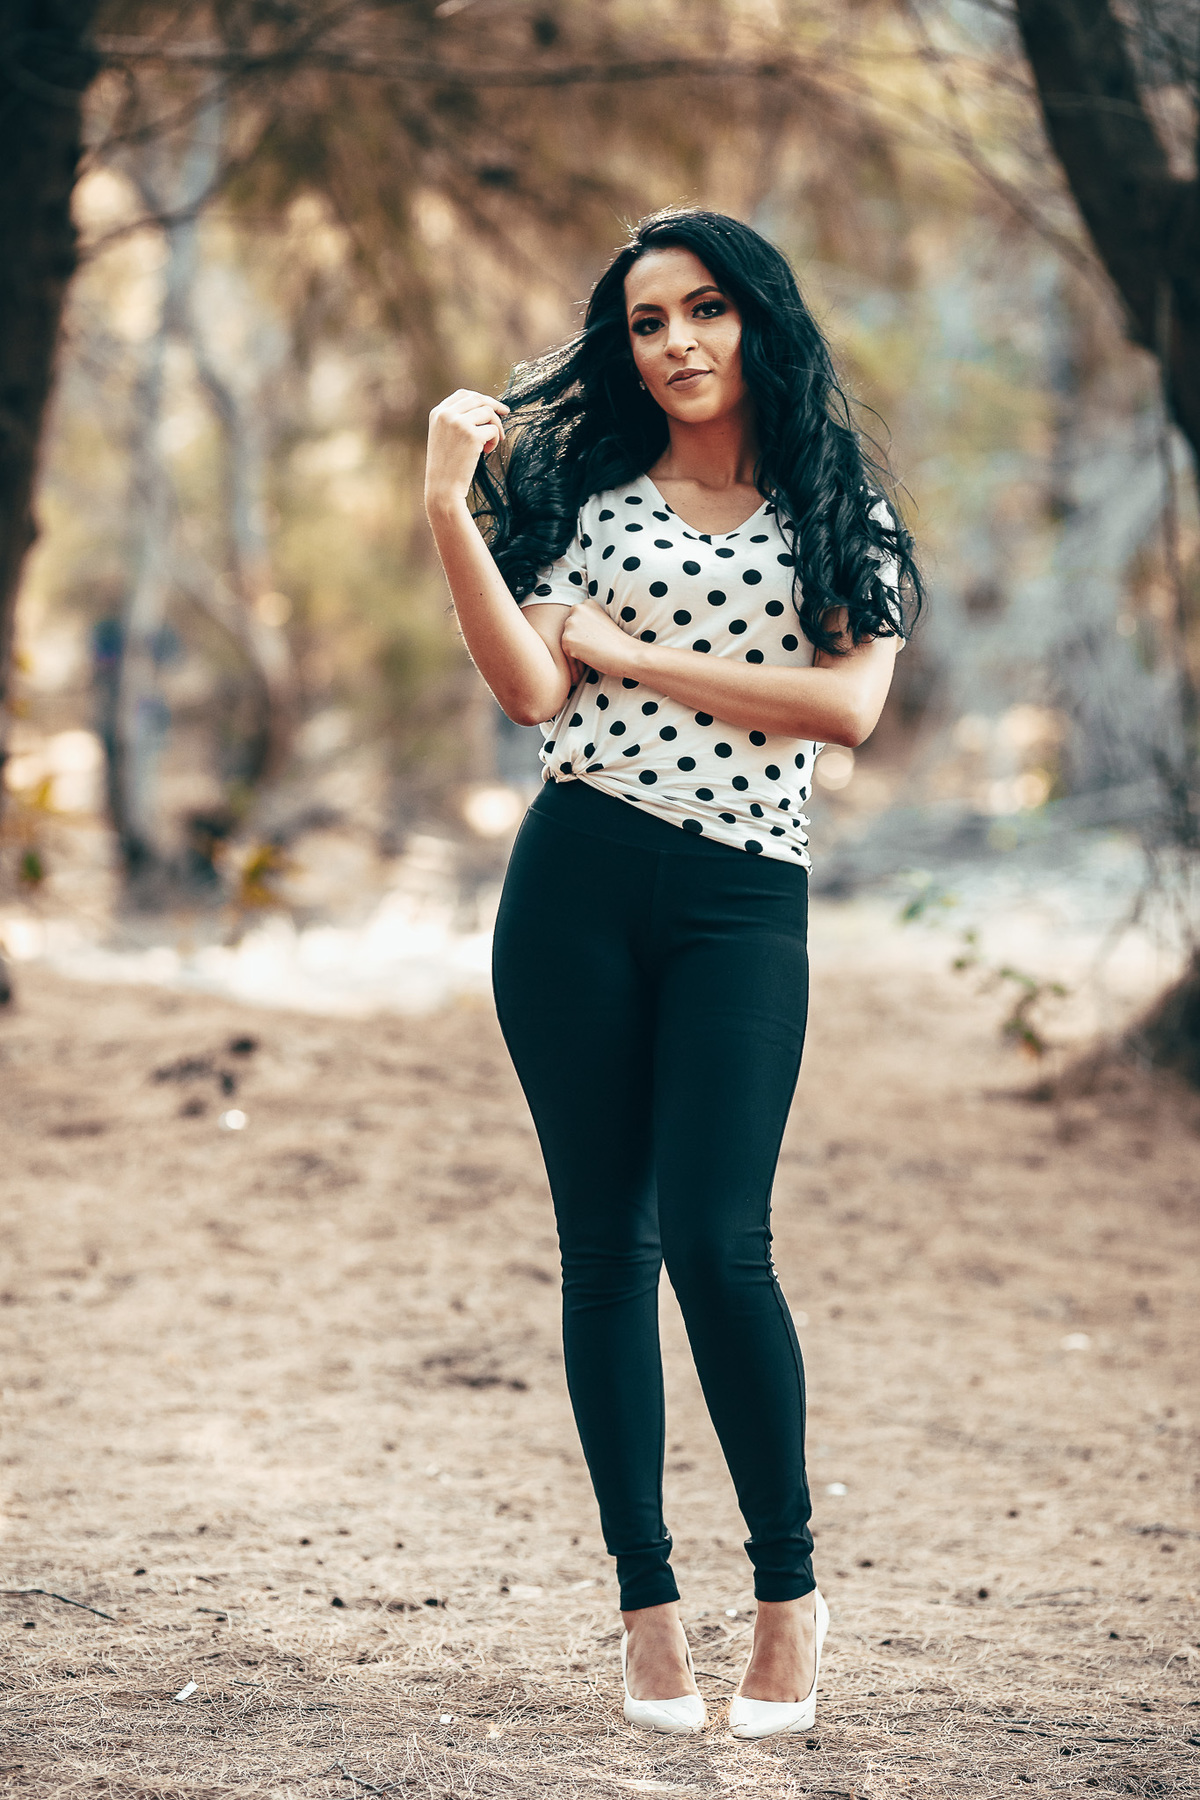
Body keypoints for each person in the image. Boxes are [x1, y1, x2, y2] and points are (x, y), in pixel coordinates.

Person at [423, 208, 922, 1741]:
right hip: (572, 882)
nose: (679, 344)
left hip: (740, 902)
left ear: (757, 319)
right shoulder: (581, 492)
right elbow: (526, 688)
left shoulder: (841, 509)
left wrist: (627, 655)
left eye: (704, 311)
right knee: (603, 1249)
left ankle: (788, 1597)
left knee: (720, 1238)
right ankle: (647, 1607)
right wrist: (449, 506)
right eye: (647, 323)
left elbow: (843, 710)